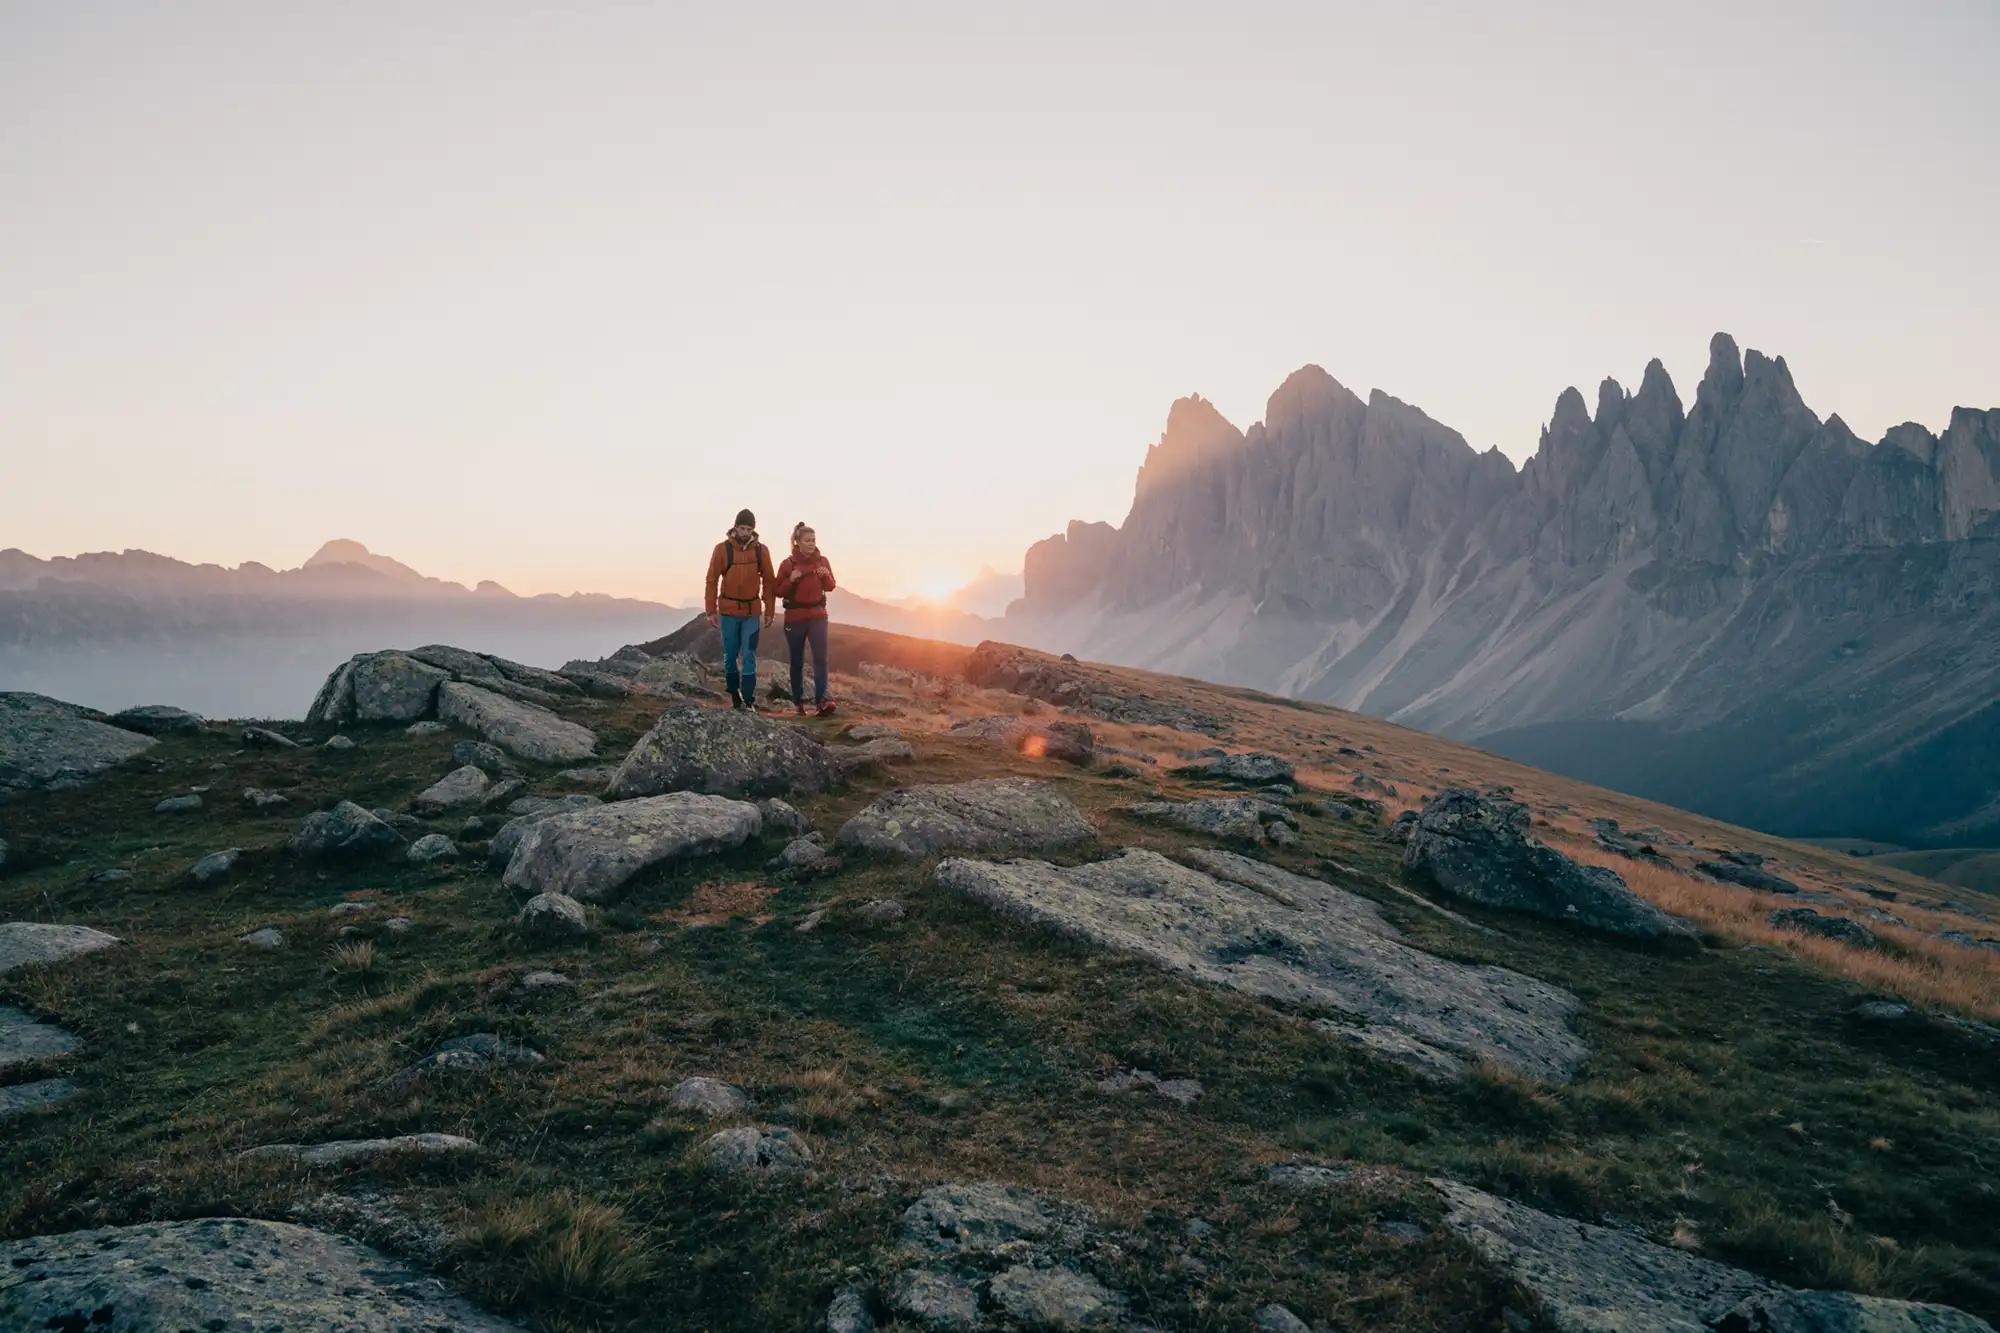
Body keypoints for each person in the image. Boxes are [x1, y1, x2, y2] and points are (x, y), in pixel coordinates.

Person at [704, 508, 775, 709]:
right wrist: (711, 611)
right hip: (728, 612)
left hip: (752, 612)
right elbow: (711, 580)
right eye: (742, 528)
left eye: (749, 529)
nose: (745, 532)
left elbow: (769, 581)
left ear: (753, 530)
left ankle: (749, 699)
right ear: (735, 527)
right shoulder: (722, 550)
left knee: (749, 654)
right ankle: (734, 695)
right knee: (730, 655)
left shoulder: (762, 551)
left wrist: (769, 611)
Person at [774, 522, 837, 715]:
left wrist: (826, 576)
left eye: (814, 540)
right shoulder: (788, 564)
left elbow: (831, 586)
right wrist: (790, 579)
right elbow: (777, 590)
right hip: (795, 618)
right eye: (808, 540)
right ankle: (799, 703)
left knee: (821, 659)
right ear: (797, 542)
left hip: (818, 616)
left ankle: (822, 701)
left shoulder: (823, 561)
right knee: (797, 661)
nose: (812, 544)